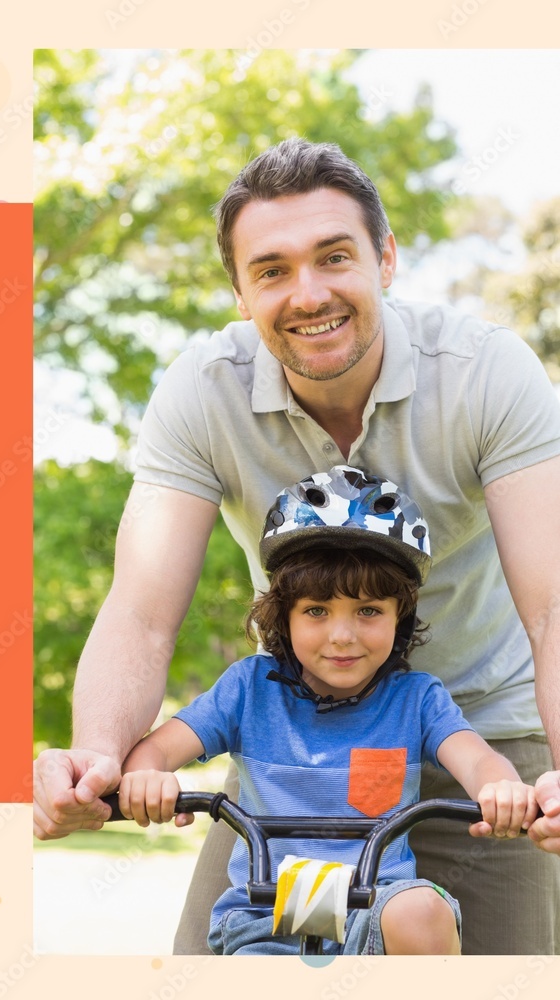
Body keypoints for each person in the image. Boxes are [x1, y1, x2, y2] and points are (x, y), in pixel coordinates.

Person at [33, 137, 560, 955]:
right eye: (272, 269)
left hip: (482, 742)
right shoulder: (202, 392)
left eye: (335, 256)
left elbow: (552, 608)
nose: (308, 293)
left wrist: (542, 781)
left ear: (385, 258)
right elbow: (140, 612)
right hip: (294, 755)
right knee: (220, 956)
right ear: (240, 293)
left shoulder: (486, 374)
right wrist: (101, 763)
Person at [118, 467, 538, 955]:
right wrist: (147, 777)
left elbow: (478, 760)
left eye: (368, 611)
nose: (343, 636)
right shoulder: (248, 689)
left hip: (375, 911)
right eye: (317, 611)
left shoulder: (417, 699)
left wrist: (501, 789)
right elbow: (154, 753)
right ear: (283, 616)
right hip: (266, 914)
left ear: (398, 617)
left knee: (422, 911)